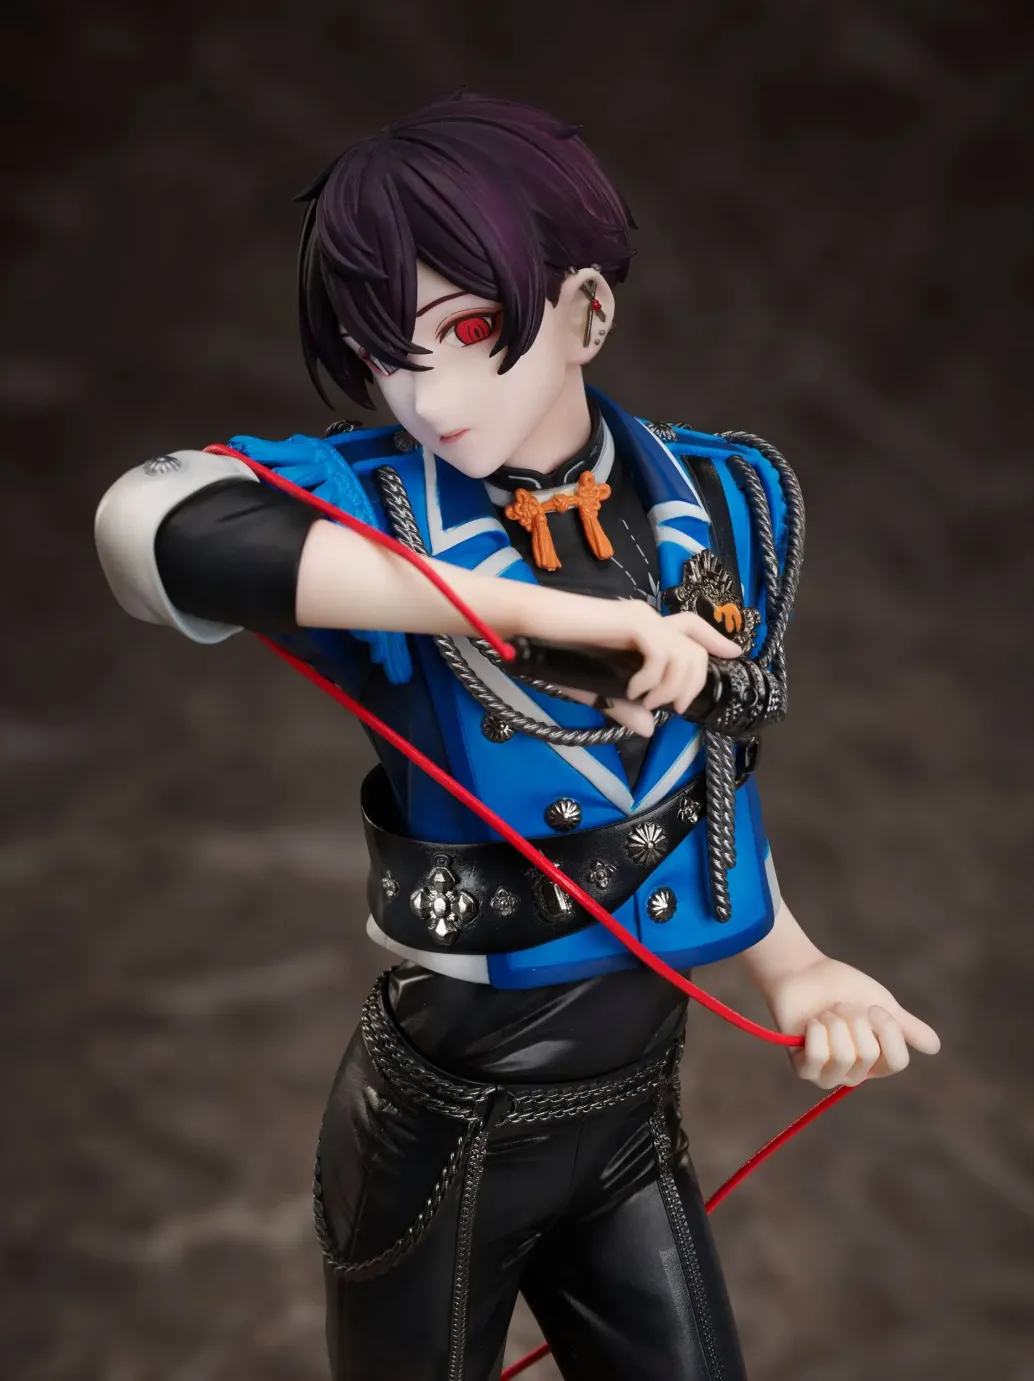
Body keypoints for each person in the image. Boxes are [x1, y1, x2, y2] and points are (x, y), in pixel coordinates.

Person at [94, 94, 941, 1381]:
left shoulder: (722, 499)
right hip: (444, 1129)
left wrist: (798, 966)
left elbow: (697, 788)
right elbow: (147, 525)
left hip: (631, 1113)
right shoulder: (378, 509)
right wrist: (531, 613)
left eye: (471, 330)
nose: (427, 397)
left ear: (587, 311)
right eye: (386, 352)